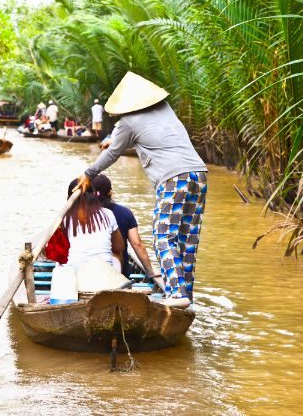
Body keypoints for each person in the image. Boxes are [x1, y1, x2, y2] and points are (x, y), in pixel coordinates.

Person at [76, 72, 208, 308]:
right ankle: (187, 295)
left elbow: (113, 152)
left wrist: (89, 173)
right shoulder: (165, 108)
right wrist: (113, 139)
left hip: (173, 178)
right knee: (187, 239)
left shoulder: (128, 122)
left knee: (162, 235)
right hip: (198, 174)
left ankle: (176, 294)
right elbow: (143, 132)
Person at [91, 174, 156, 280]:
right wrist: (150, 272)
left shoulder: (83, 215)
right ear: (110, 192)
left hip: (89, 270)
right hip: (120, 272)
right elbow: (137, 244)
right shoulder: (125, 212)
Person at [62, 178, 125, 271]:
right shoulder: (108, 213)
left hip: (76, 270)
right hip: (104, 271)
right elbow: (119, 247)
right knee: (117, 254)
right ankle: (117, 279)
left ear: (69, 198)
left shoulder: (65, 218)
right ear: (94, 195)